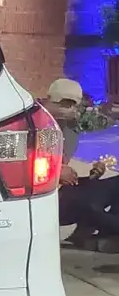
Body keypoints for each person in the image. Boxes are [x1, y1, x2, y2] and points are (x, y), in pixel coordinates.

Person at [43, 78, 119, 249]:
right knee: (89, 207)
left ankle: (102, 235)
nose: (69, 110)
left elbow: (66, 173)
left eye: (73, 105)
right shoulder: (34, 126)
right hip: (46, 199)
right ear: (48, 100)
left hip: (64, 190)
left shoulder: (69, 131)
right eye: (64, 104)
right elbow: (18, 169)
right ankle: (110, 234)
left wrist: (91, 176)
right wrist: (56, 172)